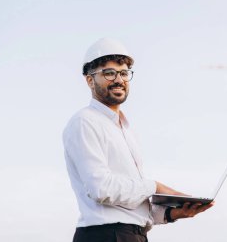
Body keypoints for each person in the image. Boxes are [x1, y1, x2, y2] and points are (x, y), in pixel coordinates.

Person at [63, 37, 214, 242]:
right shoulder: (85, 122)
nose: (119, 79)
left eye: (124, 73)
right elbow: (101, 189)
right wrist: (153, 186)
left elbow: (130, 207)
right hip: (105, 236)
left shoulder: (125, 130)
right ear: (90, 80)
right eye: (109, 73)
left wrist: (171, 214)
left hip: (131, 235)